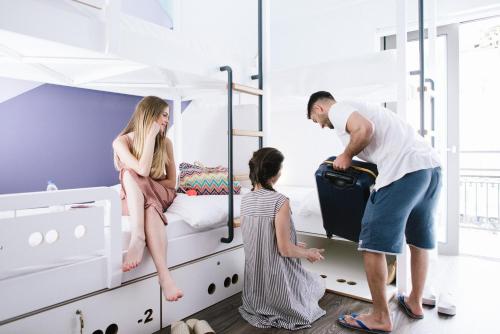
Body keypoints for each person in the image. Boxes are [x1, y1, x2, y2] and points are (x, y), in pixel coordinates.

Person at [307, 91, 441, 333]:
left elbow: (365, 129)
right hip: (429, 168)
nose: (320, 126)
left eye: (316, 121)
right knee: (418, 241)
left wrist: (346, 155)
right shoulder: (366, 106)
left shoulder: (338, 109)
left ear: (318, 109)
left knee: (370, 243)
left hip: (404, 171)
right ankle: (415, 302)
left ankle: (380, 317)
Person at [239, 147, 326, 330]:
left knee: (312, 280)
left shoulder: (245, 200)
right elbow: (284, 250)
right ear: (275, 174)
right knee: (318, 282)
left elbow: (262, 238)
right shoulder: (280, 201)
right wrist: (307, 252)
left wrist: (294, 244)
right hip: (279, 285)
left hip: (254, 291)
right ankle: (289, 303)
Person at [113, 96, 183, 302]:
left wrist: (148, 184)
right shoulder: (121, 142)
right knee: (131, 175)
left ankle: (141, 241)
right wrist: (150, 137)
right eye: (163, 115)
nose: (166, 120)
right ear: (149, 114)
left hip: (160, 192)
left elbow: (171, 181)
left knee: (133, 176)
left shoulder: (166, 142)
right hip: (136, 195)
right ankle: (164, 275)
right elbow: (140, 169)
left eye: (168, 116)